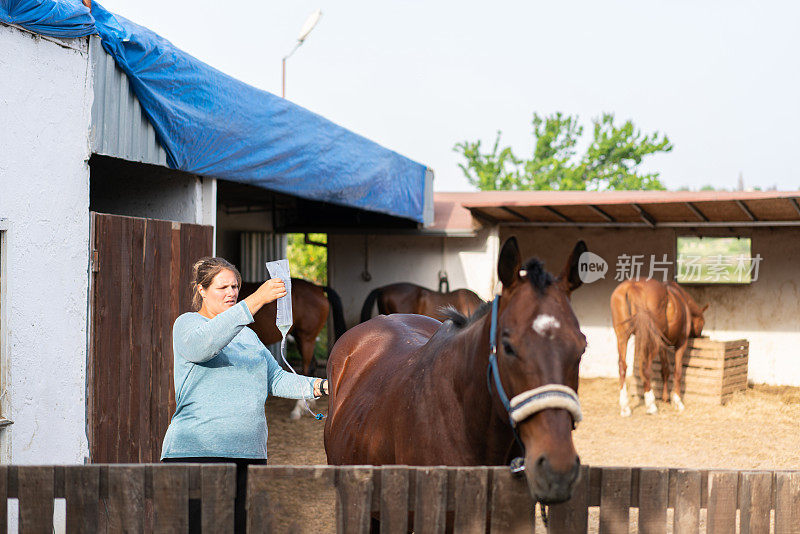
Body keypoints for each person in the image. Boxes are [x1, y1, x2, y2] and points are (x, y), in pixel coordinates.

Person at [161, 257, 328, 533]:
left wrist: (323, 386)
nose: (231, 292)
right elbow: (204, 348)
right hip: (197, 453)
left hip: (248, 453)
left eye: (236, 286)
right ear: (201, 290)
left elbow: (275, 379)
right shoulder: (188, 325)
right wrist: (256, 300)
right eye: (222, 287)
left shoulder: (249, 337)